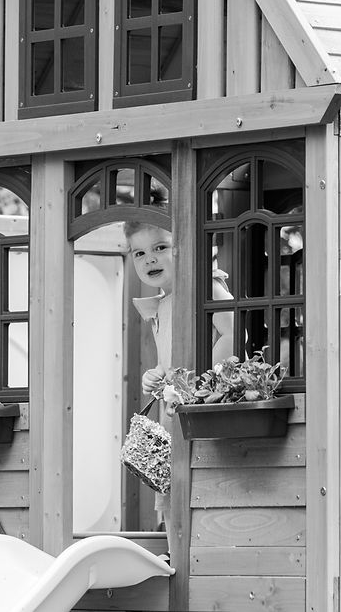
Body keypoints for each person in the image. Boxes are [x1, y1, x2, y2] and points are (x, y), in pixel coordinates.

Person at [123, 219, 233, 549]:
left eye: (160, 247)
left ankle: (196, 557)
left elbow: (232, 332)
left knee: (199, 483)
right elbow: (167, 362)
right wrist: (155, 375)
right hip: (173, 411)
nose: (150, 259)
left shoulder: (204, 287)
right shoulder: (162, 302)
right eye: (139, 253)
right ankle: (176, 556)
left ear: (185, 248)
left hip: (200, 405)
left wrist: (201, 382)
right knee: (170, 489)